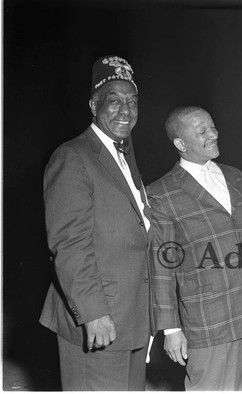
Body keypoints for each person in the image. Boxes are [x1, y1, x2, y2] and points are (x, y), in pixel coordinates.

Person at [39, 55, 152, 390]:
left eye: (132, 102)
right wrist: (93, 313)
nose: (125, 111)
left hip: (131, 319)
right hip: (99, 320)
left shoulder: (123, 155)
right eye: (114, 101)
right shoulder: (73, 156)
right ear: (93, 105)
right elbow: (69, 244)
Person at [147, 106, 242, 391]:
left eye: (212, 126)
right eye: (201, 131)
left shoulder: (239, 177)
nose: (213, 134)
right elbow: (162, 268)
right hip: (207, 320)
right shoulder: (161, 193)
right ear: (180, 144)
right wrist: (172, 329)